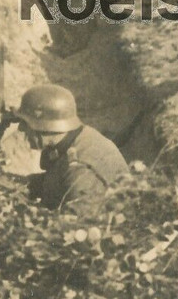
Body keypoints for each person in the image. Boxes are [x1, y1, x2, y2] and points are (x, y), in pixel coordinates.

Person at [14, 84, 129, 215]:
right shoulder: (74, 139)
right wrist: (18, 184)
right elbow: (57, 180)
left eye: (26, 123)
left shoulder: (82, 167)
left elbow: (74, 224)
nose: (21, 129)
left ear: (46, 126)